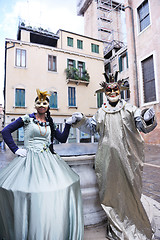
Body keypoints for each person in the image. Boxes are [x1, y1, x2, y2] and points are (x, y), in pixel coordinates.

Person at [71, 72, 157, 240]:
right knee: (109, 193)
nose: (112, 92)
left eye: (115, 89)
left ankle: (135, 224)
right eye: (109, 90)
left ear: (119, 90)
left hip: (129, 160)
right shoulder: (101, 112)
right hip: (107, 161)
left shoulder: (131, 109)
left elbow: (143, 126)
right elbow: (91, 128)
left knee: (131, 193)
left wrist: (147, 118)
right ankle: (117, 226)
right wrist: (80, 120)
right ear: (105, 92)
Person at [0, 89, 84, 240]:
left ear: (48, 106)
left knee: (58, 188)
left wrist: (68, 124)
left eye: (44, 102)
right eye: (38, 102)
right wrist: (16, 149)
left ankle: (51, 228)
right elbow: (6, 131)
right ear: (35, 105)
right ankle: (30, 229)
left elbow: (63, 139)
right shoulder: (26, 119)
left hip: (49, 160)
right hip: (29, 159)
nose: (41, 105)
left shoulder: (50, 123)